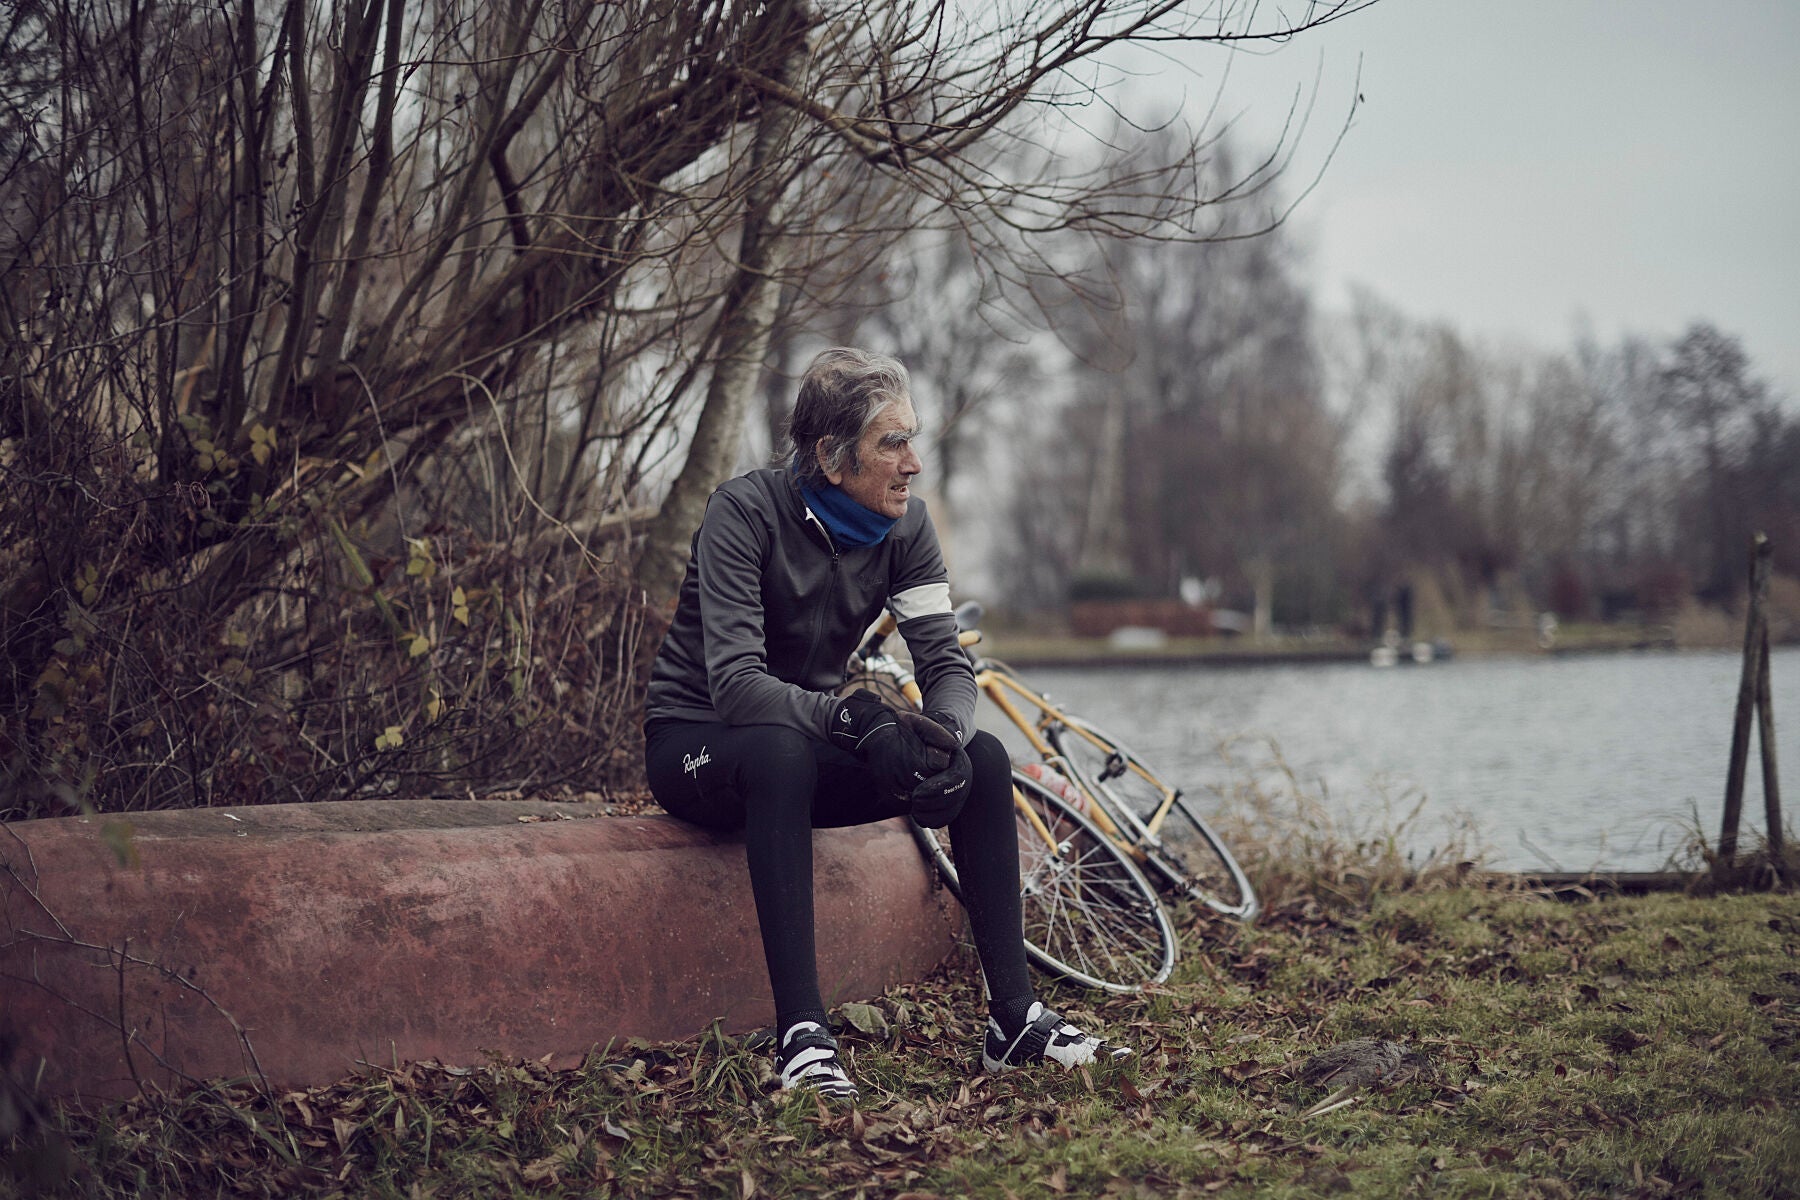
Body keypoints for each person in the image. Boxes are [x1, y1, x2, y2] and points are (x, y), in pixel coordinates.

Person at [643, 347, 1129, 1101]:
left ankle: (1015, 1020)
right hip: (697, 746)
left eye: (913, 438)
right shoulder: (743, 513)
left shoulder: (907, 528)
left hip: (803, 741)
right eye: (891, 443)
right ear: (832, 457)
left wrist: (942, 739)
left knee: (987, 758)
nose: (914, 463)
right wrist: (852, 722)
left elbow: (947, 665)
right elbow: (737, 689)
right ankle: (802, 1037)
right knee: (778, 755)